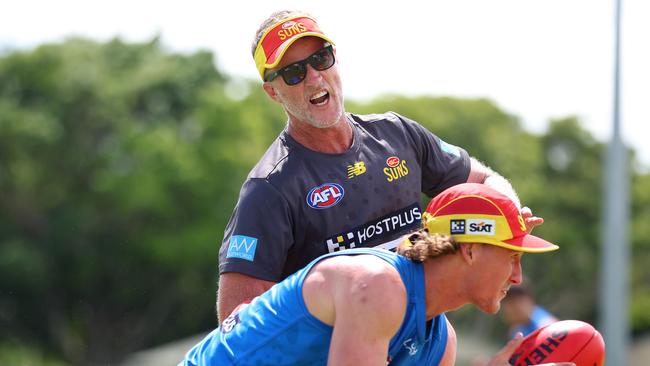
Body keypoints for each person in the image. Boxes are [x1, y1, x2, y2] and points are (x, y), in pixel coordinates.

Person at [217, 9, 544, 321]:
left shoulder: (396, 134)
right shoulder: (269, 188)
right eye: (293, 72)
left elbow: (483, 180)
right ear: (273, 92)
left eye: (320, 59)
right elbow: (237, 316)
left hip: (419, 342)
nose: (314, 77)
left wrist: (511, 218)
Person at [183, 183, 567, 366]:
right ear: (469, 248)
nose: (517, 277)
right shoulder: (377, 285)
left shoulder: (440, 340)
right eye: (511, 256)